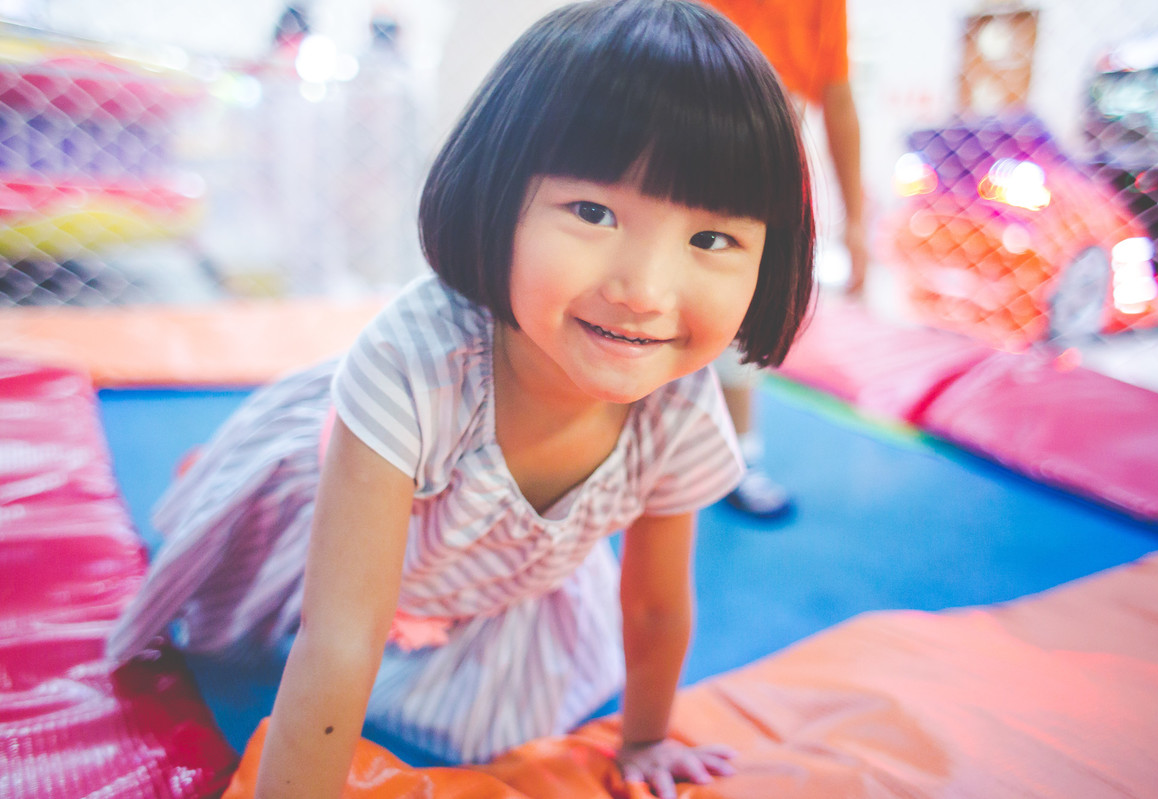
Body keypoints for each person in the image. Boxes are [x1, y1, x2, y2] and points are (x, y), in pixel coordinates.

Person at [105, 1, 815, 797]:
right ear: (498, 194)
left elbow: (652, 604)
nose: (645, 291)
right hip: (338, 519)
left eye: (711, 239)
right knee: (224, 639)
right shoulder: (413, 364)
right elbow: (340, 634)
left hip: (493, 571)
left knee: (494, 726)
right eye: (593, 212)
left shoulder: (677, 403)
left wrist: (645, 740)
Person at [704, 0, 867, 520]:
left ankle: (737, 458)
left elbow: (837, 97)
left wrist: (855, 220)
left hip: (761, 179)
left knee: (741, 322)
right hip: (686, 154)